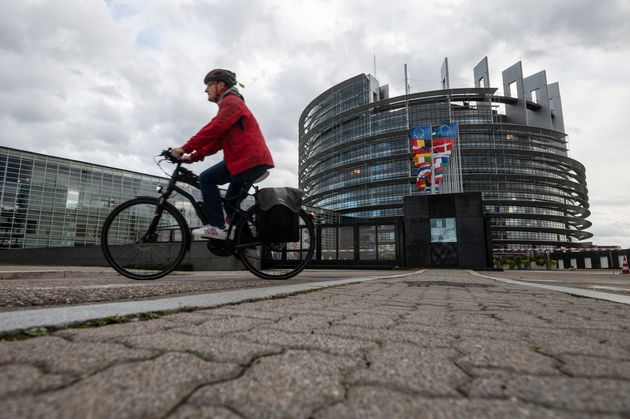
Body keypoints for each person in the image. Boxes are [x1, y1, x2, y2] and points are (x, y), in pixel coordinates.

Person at [171, 69, 274, 240]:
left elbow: (214, 129)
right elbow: (217, 141)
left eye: (209, 85)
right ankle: (249, 248)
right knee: (231, 204)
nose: (206, 90)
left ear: (220, 85)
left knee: (206, 179)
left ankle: (217, 226)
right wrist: (193, 156)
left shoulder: (231, 102)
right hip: (248, 160)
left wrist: (185, 148)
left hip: (248, 160)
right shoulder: (228, 106)